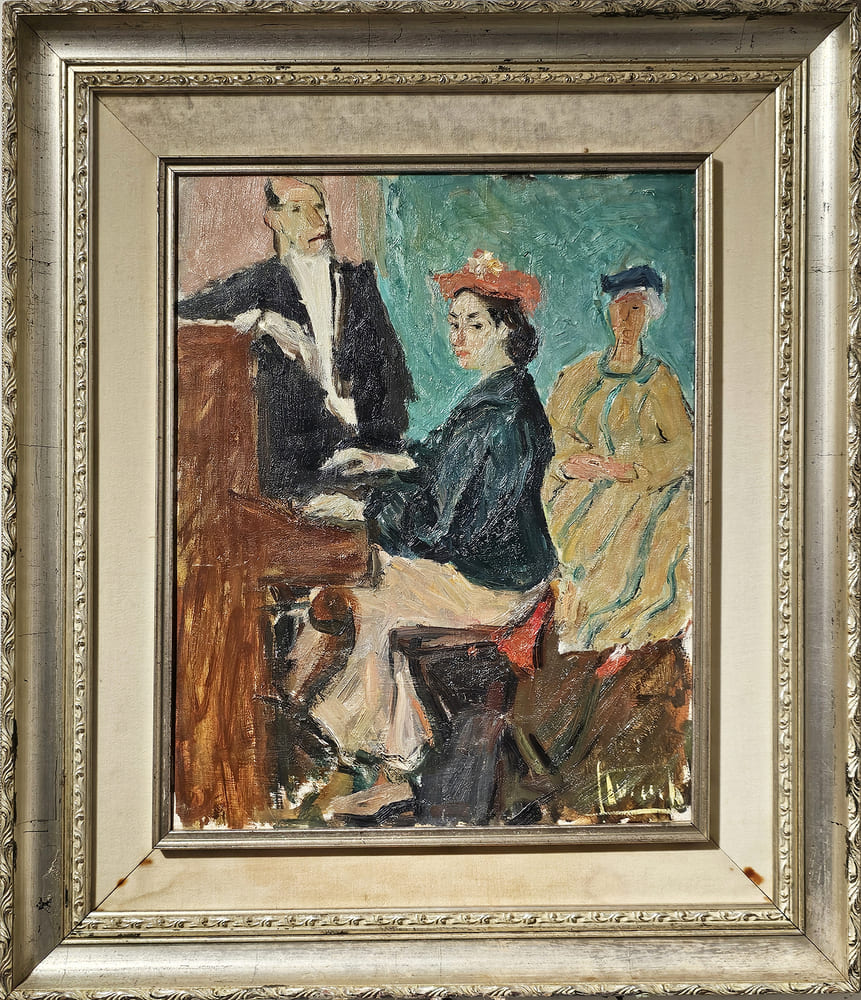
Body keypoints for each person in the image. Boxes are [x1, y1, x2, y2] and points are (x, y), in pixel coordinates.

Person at [292, 250, 557, 782]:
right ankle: (365, 745)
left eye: (474, 324)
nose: (459, 336)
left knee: (373, 598)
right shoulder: (496, 397)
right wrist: (387, 461)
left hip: (499, 584)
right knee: (366, 586)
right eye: (455, 323)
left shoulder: (503, 416)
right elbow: (441, 461)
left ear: (507, 330)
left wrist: (365, 507)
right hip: (489, 568)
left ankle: (374, 755)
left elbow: (440, 527)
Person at [176, 176, 414, 496]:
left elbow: (391, 372)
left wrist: (383, 449)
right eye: (298, 210)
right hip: (304, 473)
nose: (317, 220)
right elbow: (179, 311)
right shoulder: (260, 284)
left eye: (319, 207)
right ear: (274, 220)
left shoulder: (359, 281)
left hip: (372, 453)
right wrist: (259, 320)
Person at [541, 264, 693, 659]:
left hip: (641, 495)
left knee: (651, 532)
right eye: (620, 308)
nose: (625, 319)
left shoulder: (659, 380)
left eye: (636, 309)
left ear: (649, 315)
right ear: (609, 311)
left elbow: (684, 448)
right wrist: (569, 464)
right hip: (581, 492)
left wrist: (629, 468)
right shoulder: (579, 375)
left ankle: (617, 637)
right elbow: (553, 435)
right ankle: (575, 633)